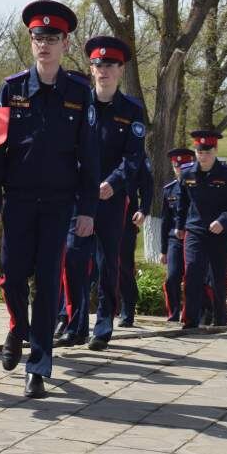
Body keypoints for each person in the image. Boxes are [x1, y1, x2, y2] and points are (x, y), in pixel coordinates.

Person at [0, 0, 99, 399]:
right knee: (12, 275)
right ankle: (18, 327)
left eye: (52, 38)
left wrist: (87, 210)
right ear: (30, 41)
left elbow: (90, 157)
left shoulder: (79, 94)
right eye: (38, 37)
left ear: (65, 43)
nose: (44, 44)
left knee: (48, 282)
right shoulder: (12, 89)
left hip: (59, 203)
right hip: (17, 199)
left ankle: (39, 365)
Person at [59, 36, 145, 350]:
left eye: (109, 65)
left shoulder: (131, 110)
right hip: (80, 197)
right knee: (74, 260)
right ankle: (76, 324)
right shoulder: (79, 102)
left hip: (111, 199)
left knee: (109, 262)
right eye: (97, 64)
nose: (102, 70)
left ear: (120, 70)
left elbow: (134, 157)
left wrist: (113, 182)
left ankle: (104, 324)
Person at [175, 131, 227, 328]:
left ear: (215, 151)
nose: (202, 156)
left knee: (217, 277)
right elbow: (182, 202)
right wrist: (179, 226)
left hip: (220, 234)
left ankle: (220, 318)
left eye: (206, 152)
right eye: (198, 151)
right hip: (195, 230)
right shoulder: (188, 173)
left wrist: (223, 221)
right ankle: (190, 321)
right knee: (193, 272)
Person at [119, 155, 154, 325]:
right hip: (96, 212)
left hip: (126, 216)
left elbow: (147, 184)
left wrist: (143, 209)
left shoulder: (136, 155)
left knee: (123, 264)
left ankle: (127, 307)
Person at [159, 149, 194, 322]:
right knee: (172, 276)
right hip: (175, 239)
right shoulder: (169, 190)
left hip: (194, 237)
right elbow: (165, 222)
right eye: (176, 166)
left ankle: (192, 314)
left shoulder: (196, 188)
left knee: (193, 278)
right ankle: (173, 312)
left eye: (183, 166)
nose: (179, 170)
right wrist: (163, 250)